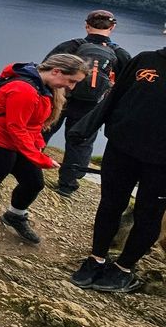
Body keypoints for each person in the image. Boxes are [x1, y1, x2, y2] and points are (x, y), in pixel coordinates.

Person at [0, 54, 87, 249]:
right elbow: (16, 128)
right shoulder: (23, 89)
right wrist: (39, 158)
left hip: (15, 141)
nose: (71, 87)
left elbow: (32, 125)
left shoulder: (43, 87)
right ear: (56, 71)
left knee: (34, 183)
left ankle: (15, 215)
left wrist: (37, 149)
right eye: (71, 81)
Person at [69, 46, 166, 293]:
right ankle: (97, 258)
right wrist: (85, 127)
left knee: (149, 215)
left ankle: (124, 268)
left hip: (162, 163)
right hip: (121, 148)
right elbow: (115, 95)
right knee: (110, 204)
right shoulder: (146, 60)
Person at [44, 10, 130, 197]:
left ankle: (26, 164)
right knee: (81, 142)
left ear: (87, 25)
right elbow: (127, 84)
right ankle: (67, 184)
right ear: (112, 27)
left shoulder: (71, 46)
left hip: (61, 98)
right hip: (92, 107)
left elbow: (46, 68)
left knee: (44, 129)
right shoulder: (119, 54)